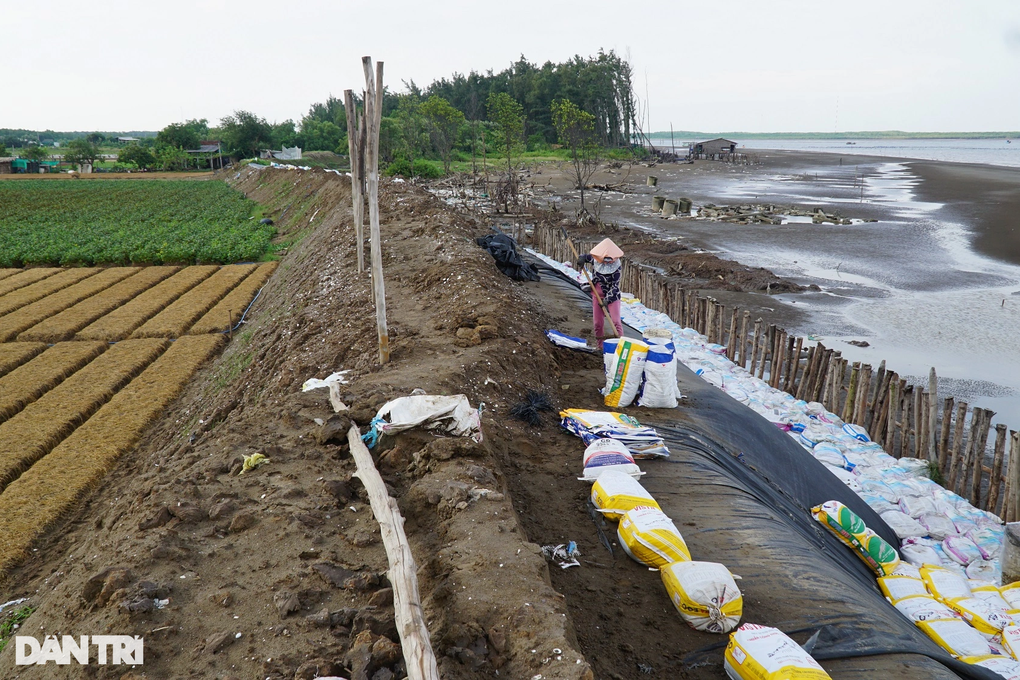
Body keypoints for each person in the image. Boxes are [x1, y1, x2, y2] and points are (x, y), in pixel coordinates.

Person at [577, 238, 624, 348]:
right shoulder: (596, 260)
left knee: (616, 322)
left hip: (612, 297)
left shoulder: (616, 267)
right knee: (597, 323)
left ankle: (620, 347)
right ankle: (600, 346)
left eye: (609, 260)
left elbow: (615, 285)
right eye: (605, 259)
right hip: (597, 296)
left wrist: (608, 299)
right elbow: (586, 257)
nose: (607, 262)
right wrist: (582, 259)